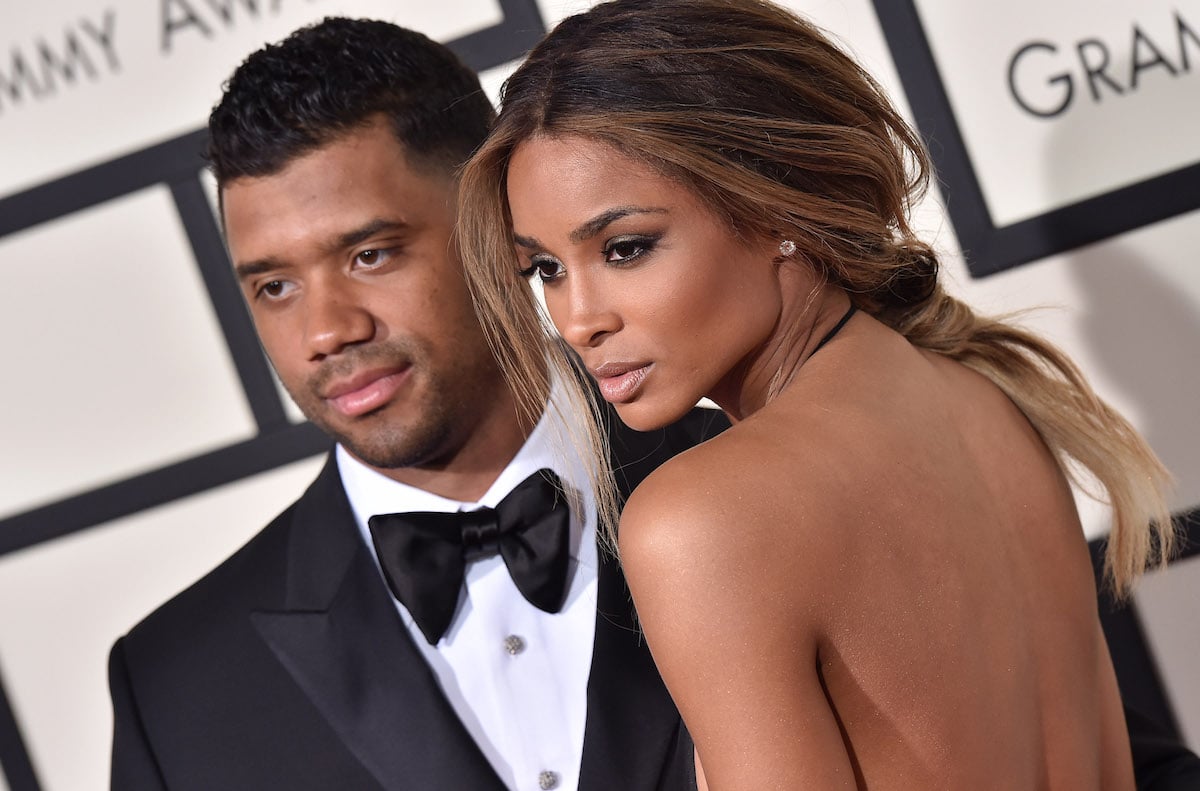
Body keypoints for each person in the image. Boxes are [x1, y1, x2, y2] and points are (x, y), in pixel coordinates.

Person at [455, 0, 1194, 787]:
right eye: (546, 269)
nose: (577, 319)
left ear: (781, 205)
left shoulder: (704, 519)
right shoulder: (990, 392)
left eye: (626, 248)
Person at [106, 17, 723, 790]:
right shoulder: (176, 687)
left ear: (495, 224)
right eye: (276, 286)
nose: (327, 331)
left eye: (370, 255)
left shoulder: (753, 477)